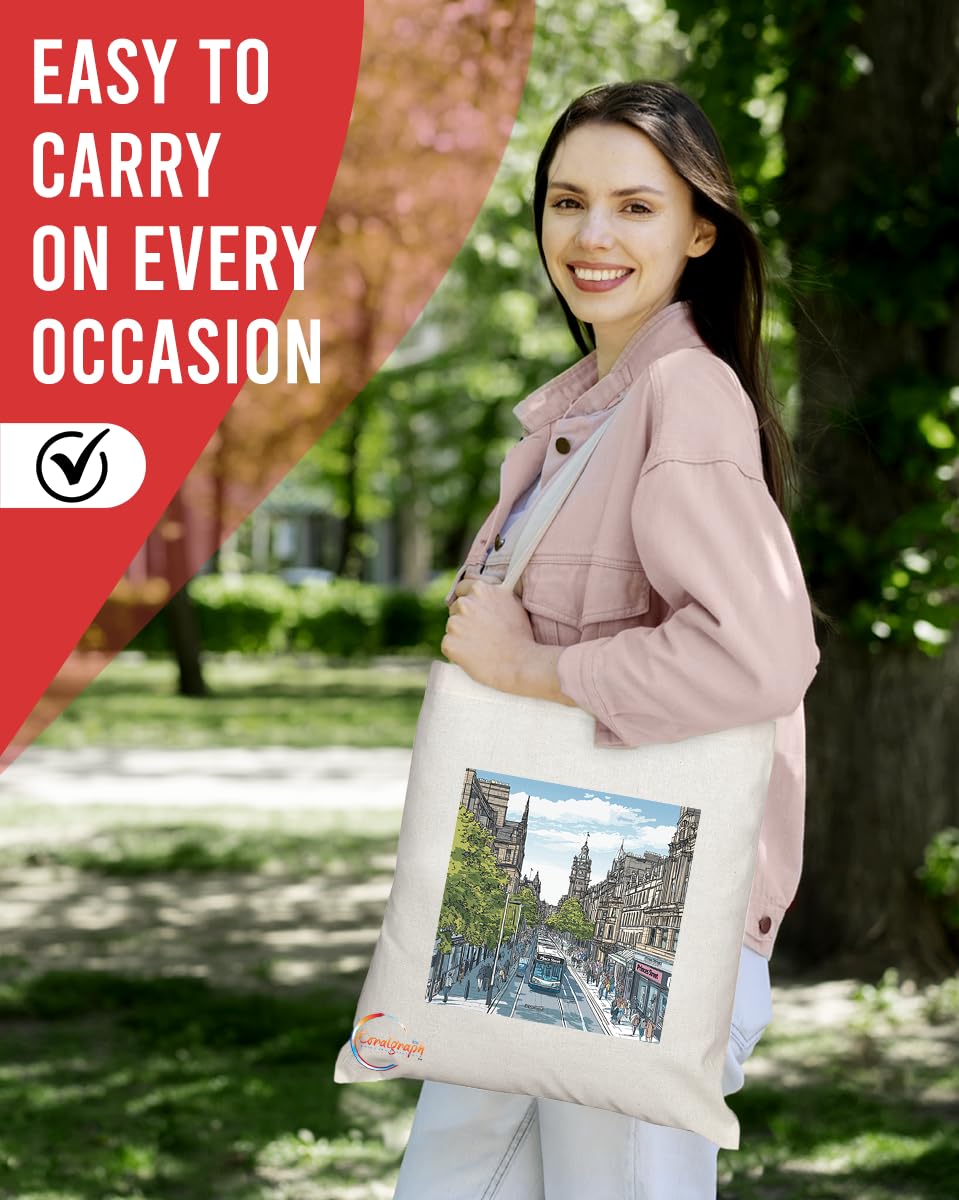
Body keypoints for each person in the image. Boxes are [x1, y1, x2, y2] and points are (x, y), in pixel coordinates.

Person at [393, 79, 818, 1200]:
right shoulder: (585, 415)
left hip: (650, 933)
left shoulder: (684, 399)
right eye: (566, 201)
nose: (589, 236)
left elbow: (757, 659)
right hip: (548, 902)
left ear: (698, 230)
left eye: (634, 207)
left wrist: (530, 668)